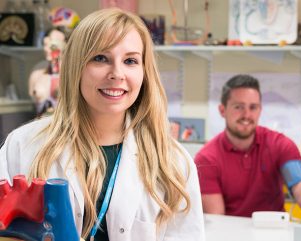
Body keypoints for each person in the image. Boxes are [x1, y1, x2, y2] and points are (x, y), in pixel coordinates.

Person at [0, 8, 204, 241]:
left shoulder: (173, 161)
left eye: (130, 60)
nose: (117, 73)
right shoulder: (24, 145)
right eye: (100, 58)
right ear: (76, 66)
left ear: (145, 72)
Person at [195, 74, 301, 225]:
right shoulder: (206, 159)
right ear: (222, 110)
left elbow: (299, 182)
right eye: (238, 107)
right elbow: (217, 218)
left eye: (253, 107)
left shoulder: (280, 145)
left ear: (260, 110)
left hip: (274, 234)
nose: (246, 115)